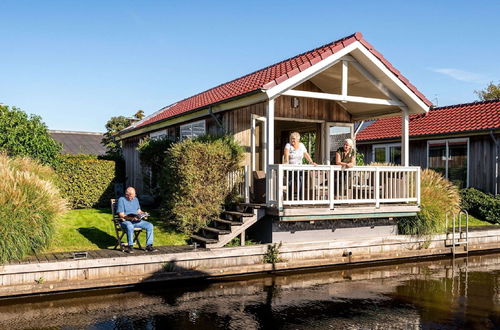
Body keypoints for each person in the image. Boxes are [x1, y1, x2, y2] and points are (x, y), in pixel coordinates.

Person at [116, 187, 156, 253]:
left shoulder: (135, 199)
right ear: (126, 195)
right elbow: (121, 215)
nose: (133, 198)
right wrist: (131, 218)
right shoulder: (121, 200)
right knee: (130, 226)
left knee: (150, 225)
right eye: (131, 196)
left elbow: (138, 211)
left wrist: (144, 214)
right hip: (126, 221)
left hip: (136, 220)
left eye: (134, 196)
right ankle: (130, 246)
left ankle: (149, 246)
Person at [283, 132, 316, 199]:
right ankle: (289, 200)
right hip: (290, 169)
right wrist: (286, 162)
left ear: (298, 140)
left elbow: (306, 154)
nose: (292, 140)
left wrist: (312, 162)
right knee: (290, 185)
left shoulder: (301, 145)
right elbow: (286, 155)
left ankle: (300, 199)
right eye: (291, 139)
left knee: (300, 184)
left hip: (299, 169)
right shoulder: (288, 145)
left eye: (294, 139)